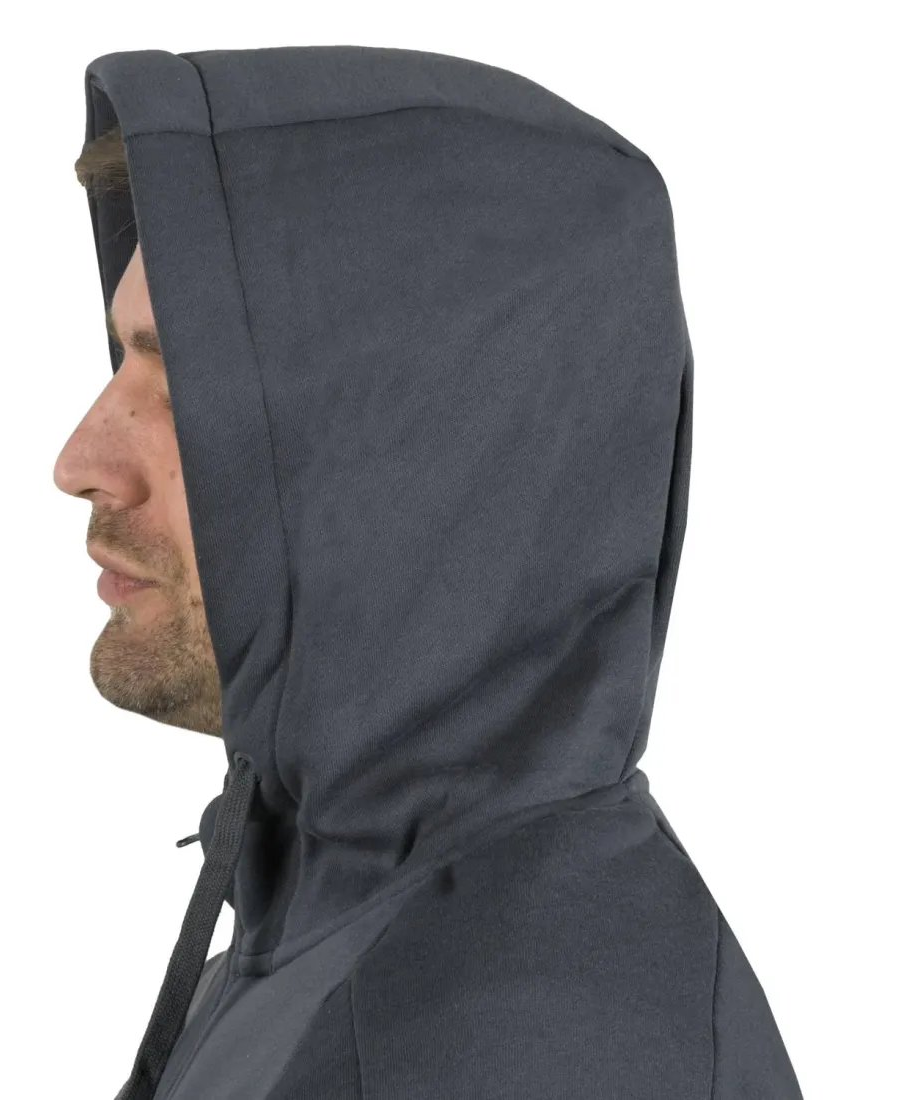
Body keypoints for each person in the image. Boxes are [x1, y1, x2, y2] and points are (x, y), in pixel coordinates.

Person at [55, 45, 803, 1100]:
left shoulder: (525, 1043)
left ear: (418, 452)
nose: (80, 461)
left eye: (187, 383)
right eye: (122, 360)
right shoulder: (339, 939)